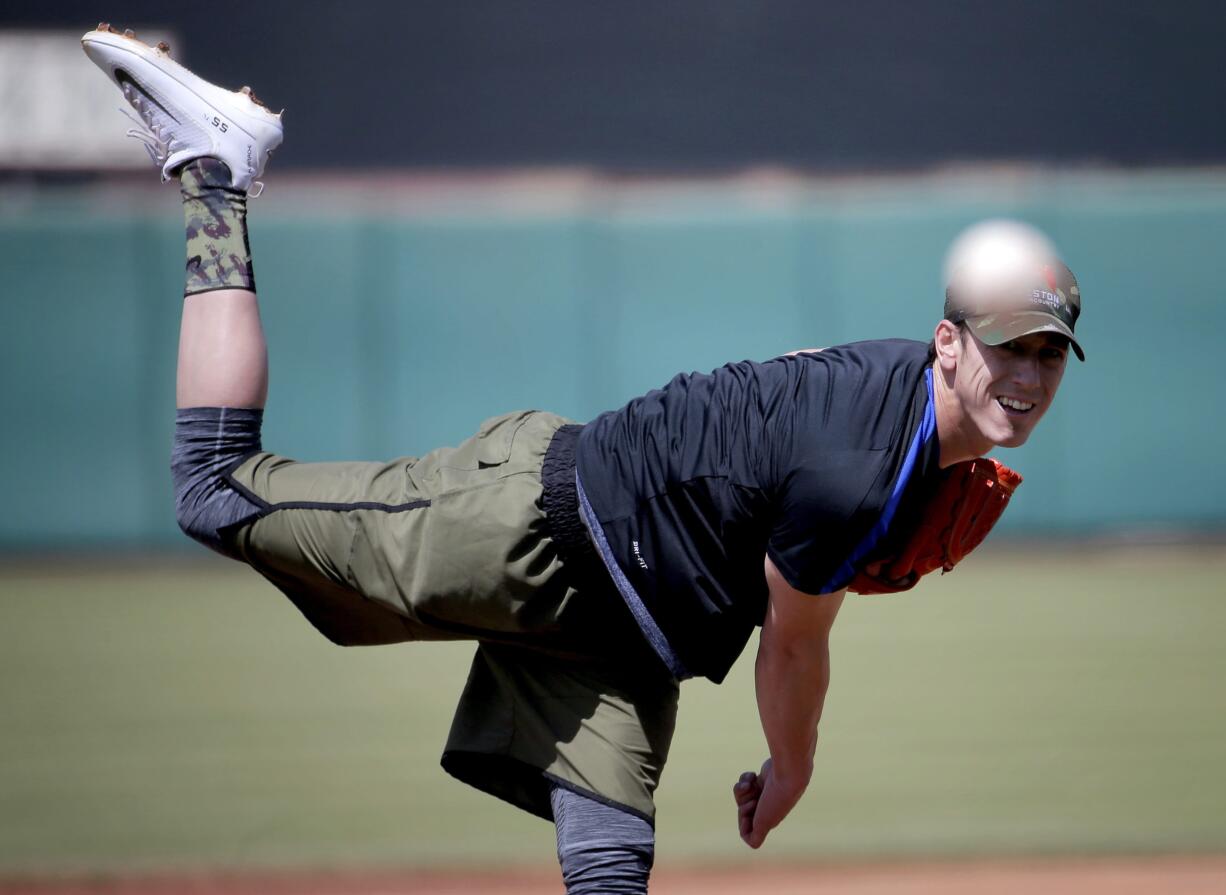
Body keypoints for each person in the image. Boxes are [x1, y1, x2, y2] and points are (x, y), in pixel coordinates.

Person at [82, 24, 1084, 894]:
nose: (1027, 376)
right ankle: (217, 170)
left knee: (609, 864)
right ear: (947, 341)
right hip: (534, 532)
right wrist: (791, 767)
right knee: (211, 490)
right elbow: (793, 645)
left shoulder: (900, 409)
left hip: (631, 631)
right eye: (1006, 347)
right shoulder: (857, 465)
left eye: (1046, 352)